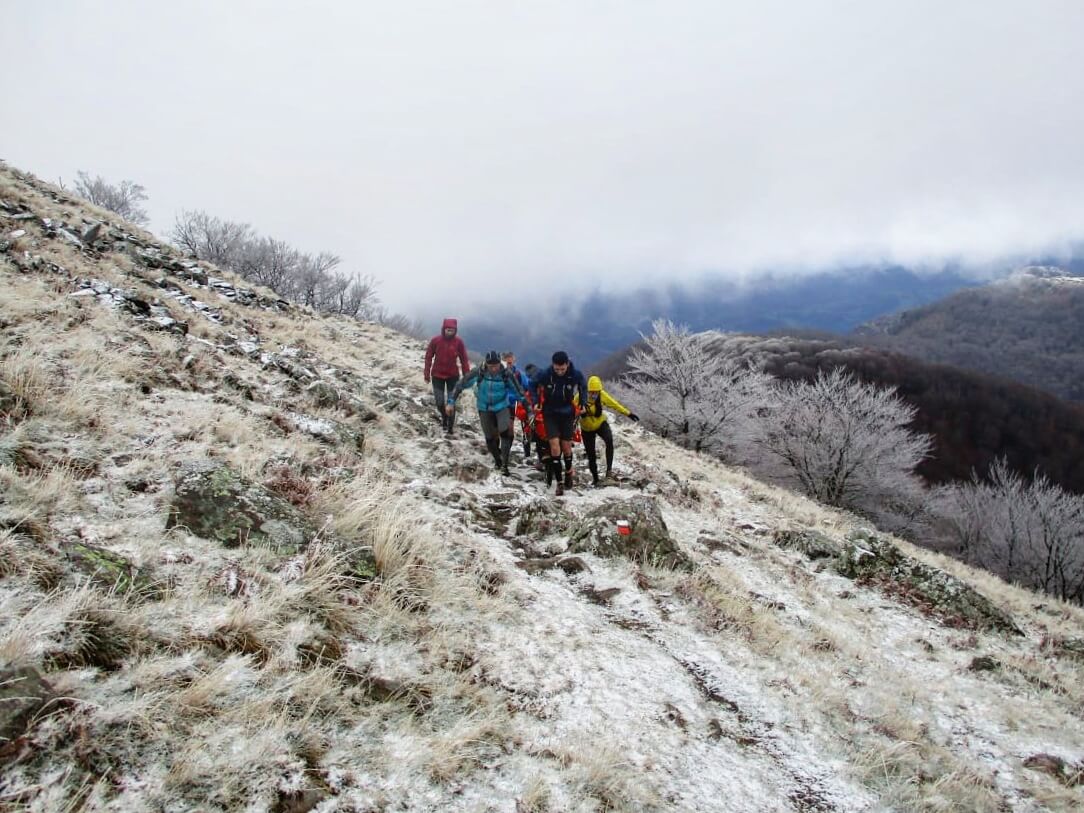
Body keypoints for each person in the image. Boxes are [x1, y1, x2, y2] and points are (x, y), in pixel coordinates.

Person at [446, 351, 526, 475]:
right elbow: (460, 384)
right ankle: (497, 460)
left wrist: (529, 410)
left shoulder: (506, 374)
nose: (494, 369)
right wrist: (451, 402)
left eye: (496, 365)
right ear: (486, 364)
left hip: (502, 407)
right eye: (491, 366)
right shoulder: (479, 372)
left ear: (500, 363)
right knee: (489, 438)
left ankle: (505, 464)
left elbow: (519, 392)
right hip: (484, 408)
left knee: (505, 432)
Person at [528, 351, 588, 496]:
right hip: (550, 413)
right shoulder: (546, 374)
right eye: (557, 369)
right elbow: (532, 384)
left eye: (562, 369)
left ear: (567, 364)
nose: (560, 372)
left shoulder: (574, 374)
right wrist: (536, 401)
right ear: (553, 365)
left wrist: (582, 403)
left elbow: (583, 385)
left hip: (567, 413)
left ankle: (568, 472)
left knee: (566, 447)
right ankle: (559, 483)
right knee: (554, 446)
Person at [580, 375, 640, 486]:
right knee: (591, 454)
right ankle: (595, 479)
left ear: (599, 391)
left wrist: (629, 414)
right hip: (586, 428)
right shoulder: (580, 396)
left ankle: (609, 471)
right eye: (591, 392)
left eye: (595, 392)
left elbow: (615, 404)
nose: (593, 395)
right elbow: (570, 409)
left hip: (600, 423)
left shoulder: (602, 395)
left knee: (609, 440)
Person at [424, 318, 470, 434]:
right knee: (439, 402)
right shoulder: (436, 341)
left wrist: (467, 376)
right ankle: (444, 417)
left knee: (451, 402)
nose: (449, 332)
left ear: (455, 331)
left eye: (452, 330)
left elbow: (464, 359)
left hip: (453, 376)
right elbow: (429, 356)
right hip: (437, 375)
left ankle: (450, 427)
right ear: (443, 329)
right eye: (448, 330)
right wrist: (426, 373)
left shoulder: (459, 342)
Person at [501, 351, 531, 456]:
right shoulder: (499, 374)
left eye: (511, 362)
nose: (510, 364)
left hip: (515, 404)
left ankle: (524, 452)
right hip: (503, 404)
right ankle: (503, 452)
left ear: (514, 360)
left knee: (521, 428)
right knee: (506, 428)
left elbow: (528, 385)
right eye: (507, 362)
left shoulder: (518, 374)